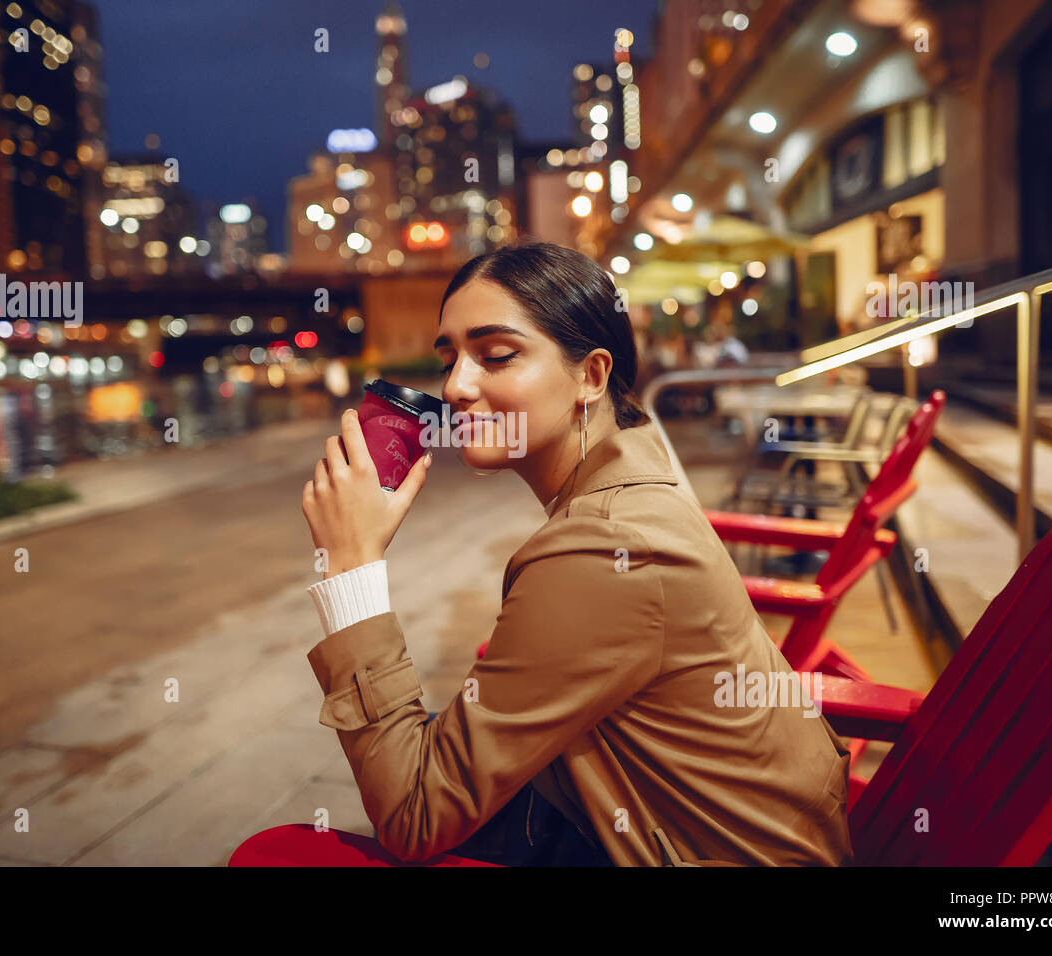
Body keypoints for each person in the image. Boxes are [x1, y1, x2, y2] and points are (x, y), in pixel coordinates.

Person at [300, 239, 853, 867]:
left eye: (497, 355)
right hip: (665, 826)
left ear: (590, 376)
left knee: (280, 853)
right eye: (450, 357)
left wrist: (351, 569)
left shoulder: (604, 546)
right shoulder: (637, 472)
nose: (456, 386)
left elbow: (416, 814)